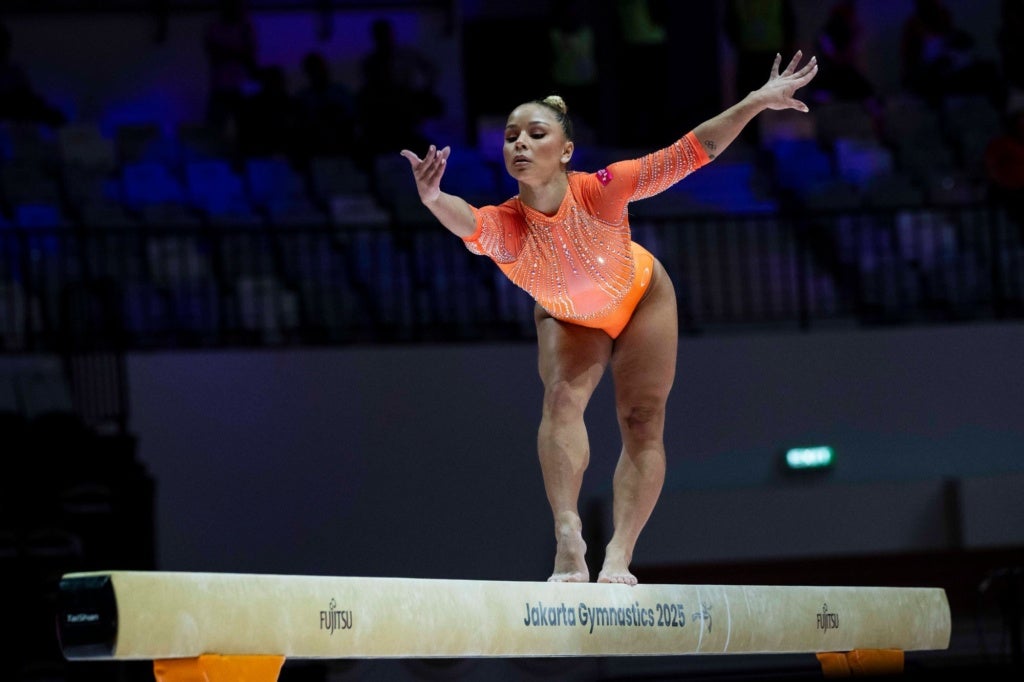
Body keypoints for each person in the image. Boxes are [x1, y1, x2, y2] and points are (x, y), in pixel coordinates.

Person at [400, 52, 818, 584]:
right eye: (510, 136)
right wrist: (433, 196)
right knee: (560, 398)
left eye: (535, 133)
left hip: (642, 298)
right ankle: (568, 534)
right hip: (569, 319)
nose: (520, 143)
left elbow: (692, 153)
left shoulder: (603, 189)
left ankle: (619, 553)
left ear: (567, 150)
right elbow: (467, 222)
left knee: (642, 421)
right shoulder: (507, 226)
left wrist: (756, 101)